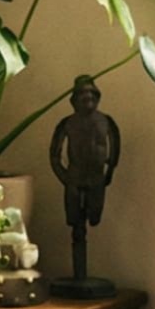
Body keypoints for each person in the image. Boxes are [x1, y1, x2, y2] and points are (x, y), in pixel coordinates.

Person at [48, 74, 120, 297]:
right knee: (75, 222)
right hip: (74, 177)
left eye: (91, 94)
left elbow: (115, 148)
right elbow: (54, 154)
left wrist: (109, 171)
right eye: (82, 94)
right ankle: (78, 273)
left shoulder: (106, 121)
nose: (87, 98)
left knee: (94, 217)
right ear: (74, 99)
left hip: (97, 177)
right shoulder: (67, 123)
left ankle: (83, 272)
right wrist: (64, 176)